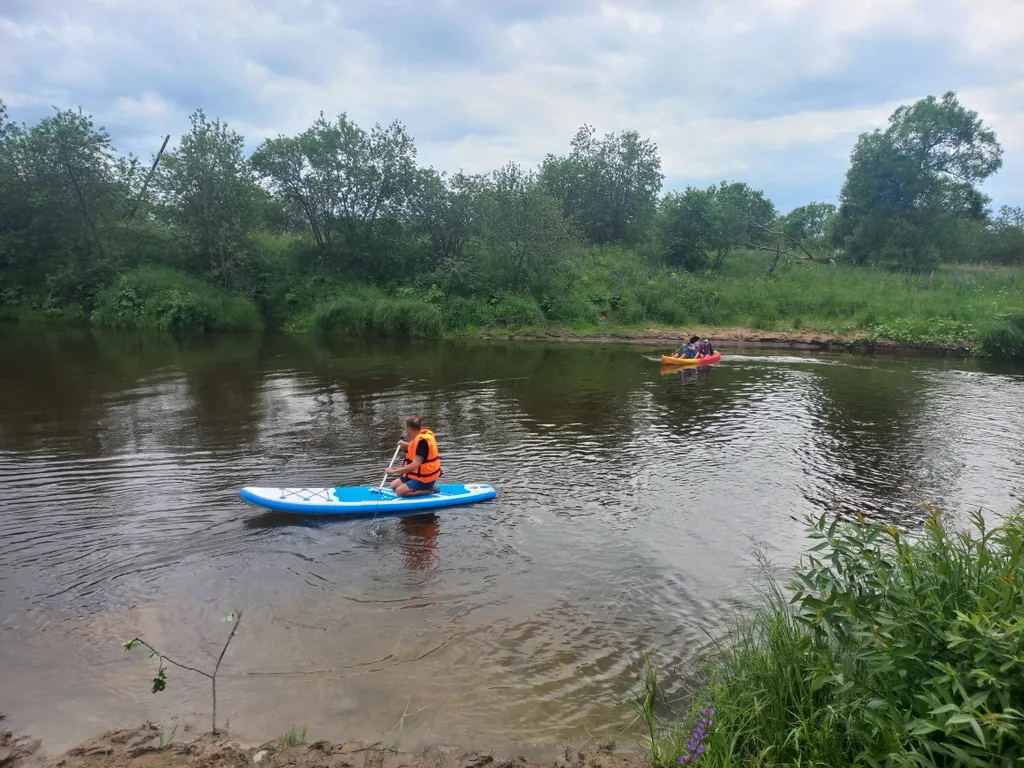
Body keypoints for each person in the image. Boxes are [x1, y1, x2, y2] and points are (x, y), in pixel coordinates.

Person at [384, 417, 442, 497]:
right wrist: (405, 444)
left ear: (409, 429)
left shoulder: (423, 442)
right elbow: (416, 448)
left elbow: (414, 465)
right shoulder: (418, 437)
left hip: (425, 479)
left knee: (399, 492)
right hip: (416, 475)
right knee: (394, 486)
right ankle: (416, 487)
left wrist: (394, 470)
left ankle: (429, 490)